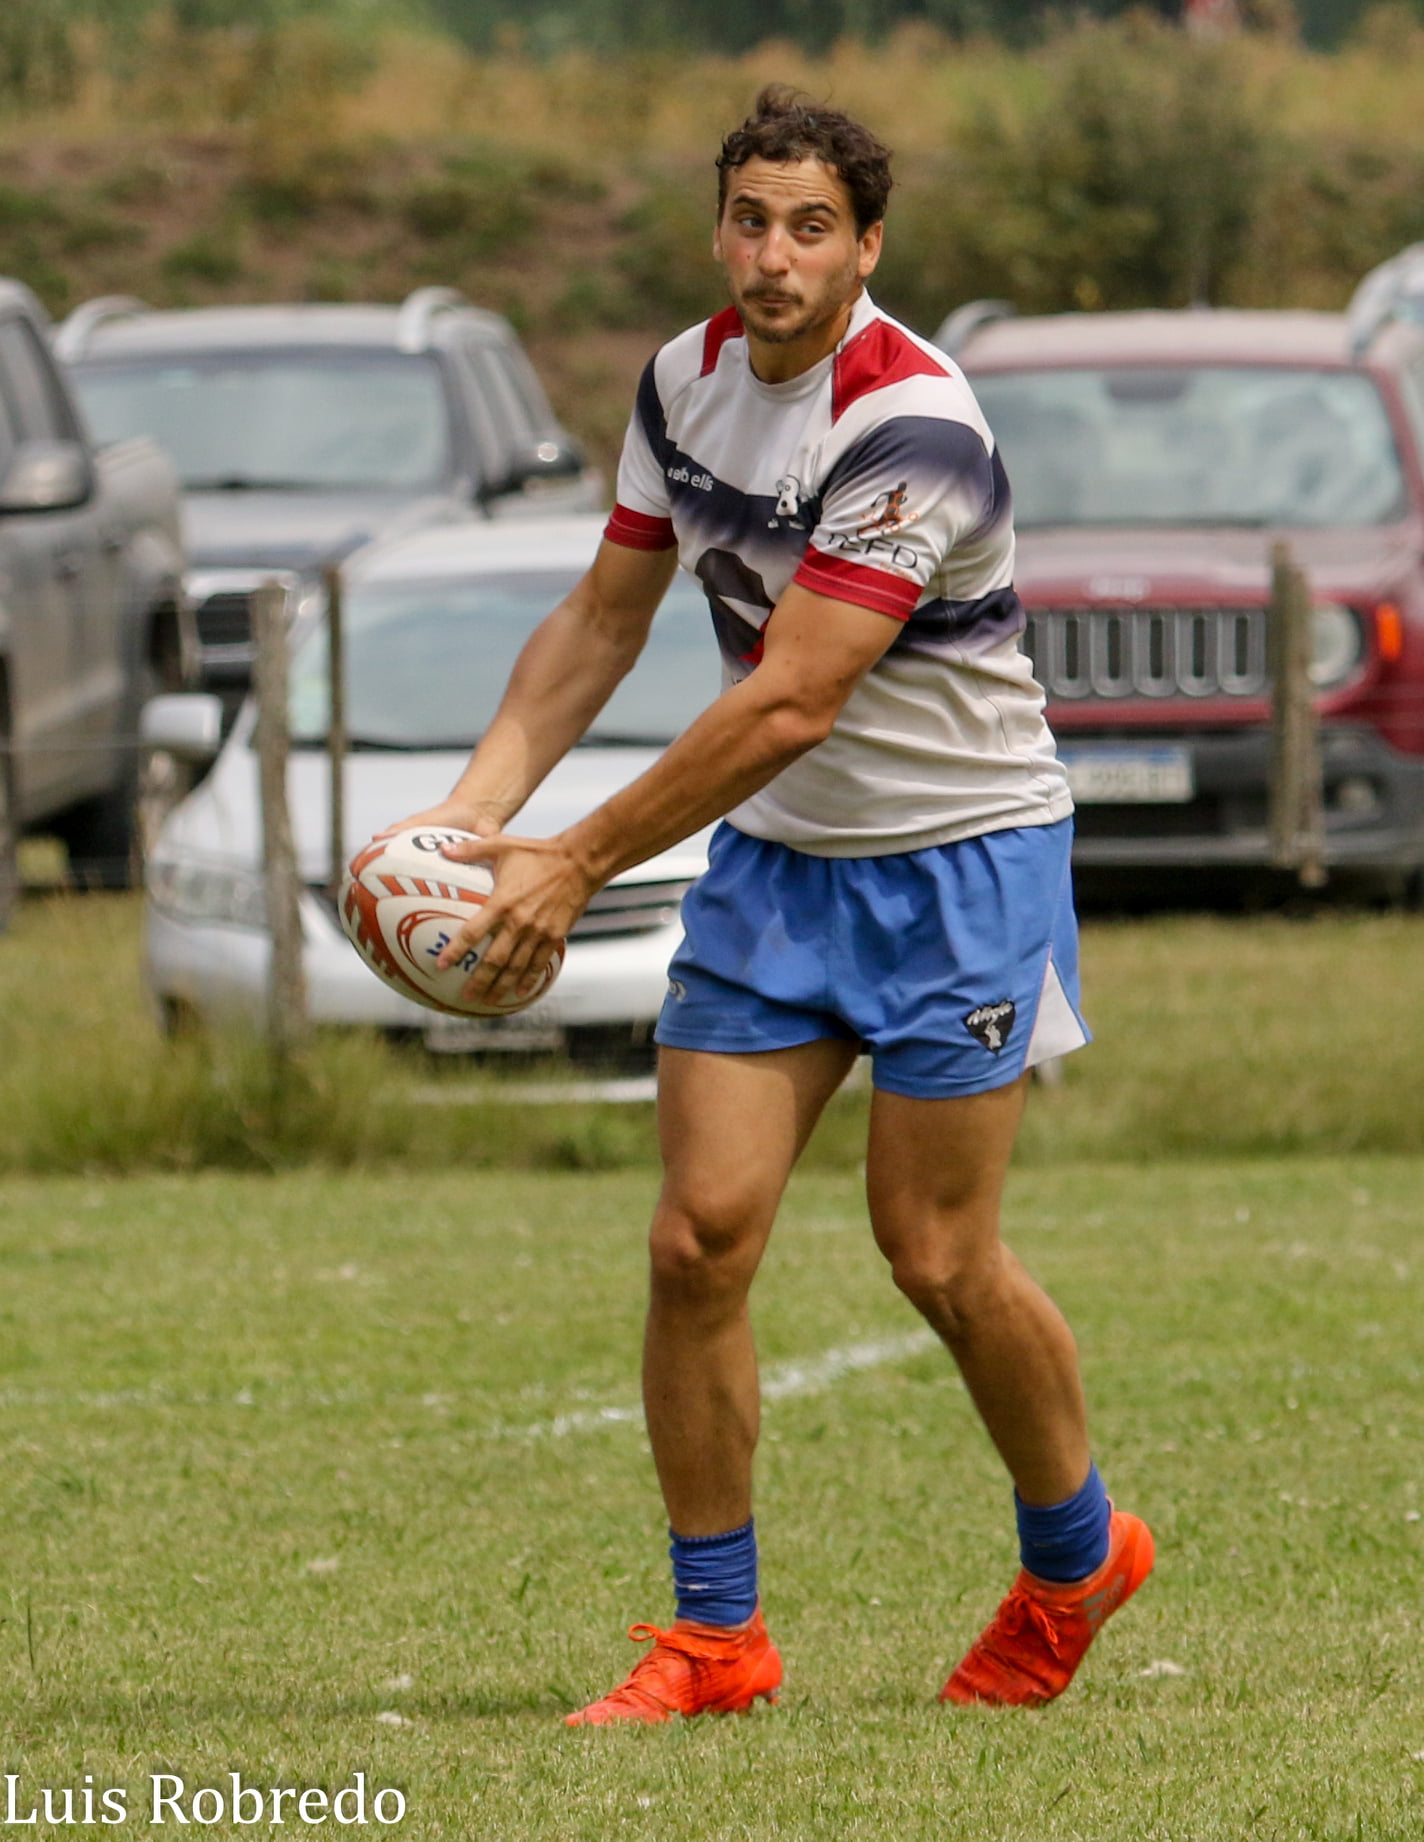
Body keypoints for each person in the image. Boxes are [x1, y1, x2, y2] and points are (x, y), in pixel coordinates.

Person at [388, 85, 1153, 1724]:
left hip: (961, 861)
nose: (774, 254)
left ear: (867, 246)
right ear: (719, 226)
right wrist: (474, 812)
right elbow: (606, 614)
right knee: (696, 1238)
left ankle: (1078, 1555)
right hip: (781, 866)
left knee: (938, 1256)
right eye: (750, 217)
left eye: (812, 225)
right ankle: (716, 1639)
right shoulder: (683, 382)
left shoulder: (914, 423)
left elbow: (794, 693)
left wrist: (577, 858)